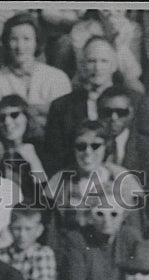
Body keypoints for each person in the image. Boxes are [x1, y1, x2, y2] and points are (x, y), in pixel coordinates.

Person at [42, 37, 136, 176]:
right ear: (82, 65)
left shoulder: (136, 101)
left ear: (115, 65)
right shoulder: (62, 107)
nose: (97, 68)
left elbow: (144, 149)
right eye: (91, 61)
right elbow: (53, 157)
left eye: (104, 61)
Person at [0, 13, 72, 131]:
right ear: (6, 43)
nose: (20, 46)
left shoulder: (57, 78)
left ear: (36, 42)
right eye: (14, 39)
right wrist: (41, 111)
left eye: (26, 39)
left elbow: (64, 121)